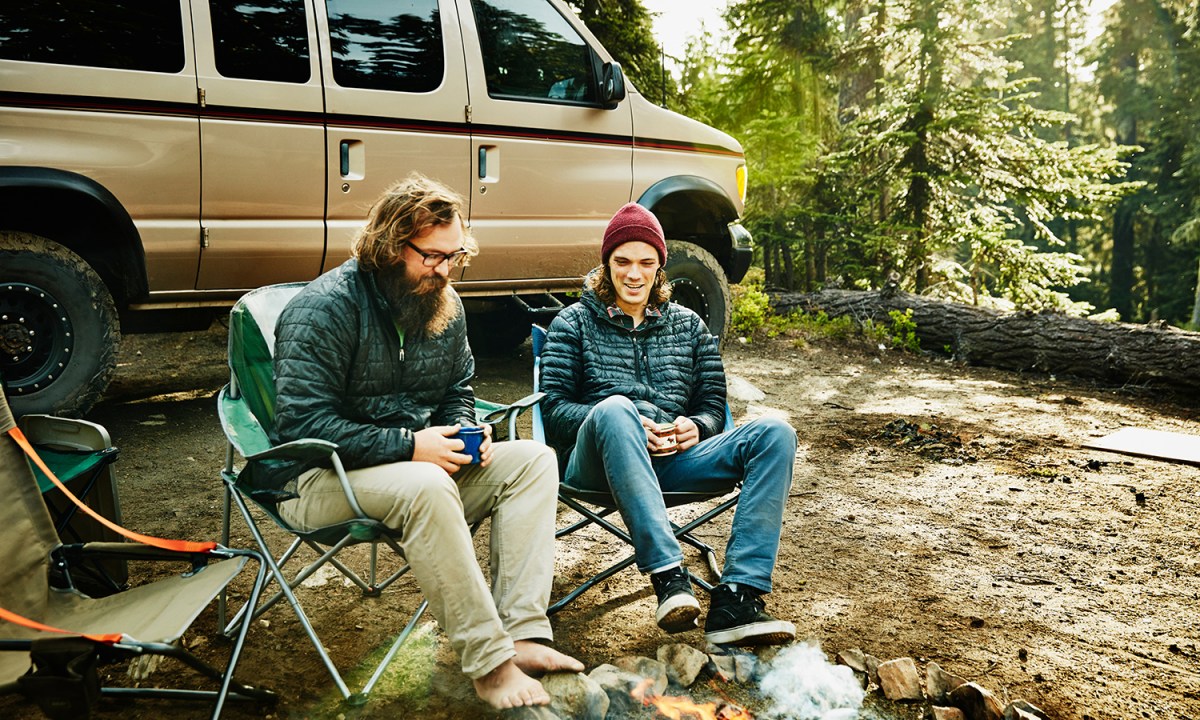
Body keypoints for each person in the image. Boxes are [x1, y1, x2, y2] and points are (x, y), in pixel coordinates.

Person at [270, 174, 583, 709]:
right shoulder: (324, 309)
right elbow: (302, 427)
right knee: (425, 483)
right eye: (432, 257)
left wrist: (467, 432)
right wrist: (410, 445)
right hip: (315, 480)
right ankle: (489, 665)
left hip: (411, 469)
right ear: (390, 245)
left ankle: (525, 634)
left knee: (532, 459)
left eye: (454, 256)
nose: (444, 270)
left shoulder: (444, 304)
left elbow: (458, 389)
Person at [540, 202, 798, 646]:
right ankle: (669, 576)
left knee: (775, 432)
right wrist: (624, 422)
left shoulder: (690, 327)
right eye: (622, 261)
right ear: (606, 264)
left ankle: (738, 598)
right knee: (617, 408)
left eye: (646, 262)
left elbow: (714, 406)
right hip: (597, 462)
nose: (633, 274)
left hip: (676, 461)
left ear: (661, 265)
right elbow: (554, 413)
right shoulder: (573, 324)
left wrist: (695, 427)